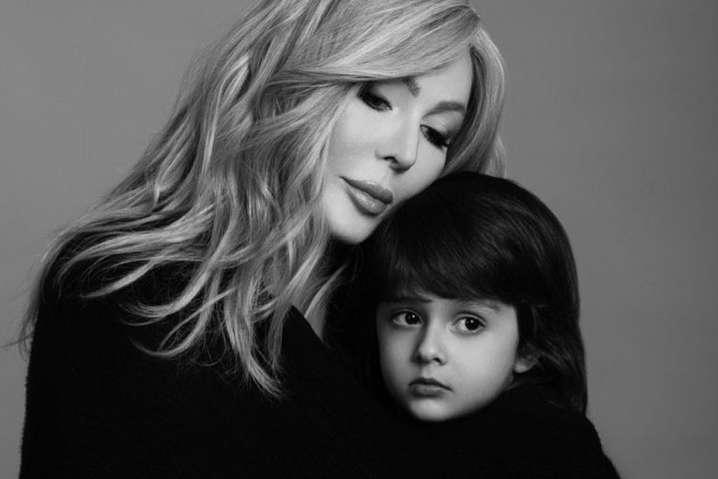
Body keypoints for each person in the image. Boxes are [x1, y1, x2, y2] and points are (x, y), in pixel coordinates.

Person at [19, 0, 505, 477]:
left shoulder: (404, 325)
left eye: (436, 133)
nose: (406, 151)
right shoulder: (128, 290)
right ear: (287, 82)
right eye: (378, 99)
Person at [353, 172, 621, 477]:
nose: (428, 350)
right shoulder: (359, 429)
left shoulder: (555, 450)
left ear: (528, 347)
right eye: (408, 318)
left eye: (470, 324)